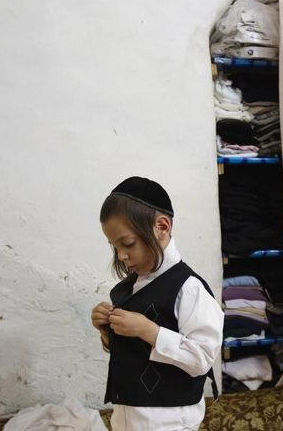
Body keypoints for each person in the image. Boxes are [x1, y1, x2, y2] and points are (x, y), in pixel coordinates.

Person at [90, 176, 224, 431]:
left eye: (128, 243)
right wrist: (107, 332)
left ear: (162, 227)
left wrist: (148, 330)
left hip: (170, 423)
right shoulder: (129, 289)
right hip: (127, 419)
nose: (121, 255)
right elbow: (134, 353)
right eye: (114, 246)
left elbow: (202, 358)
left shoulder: (189, 288)